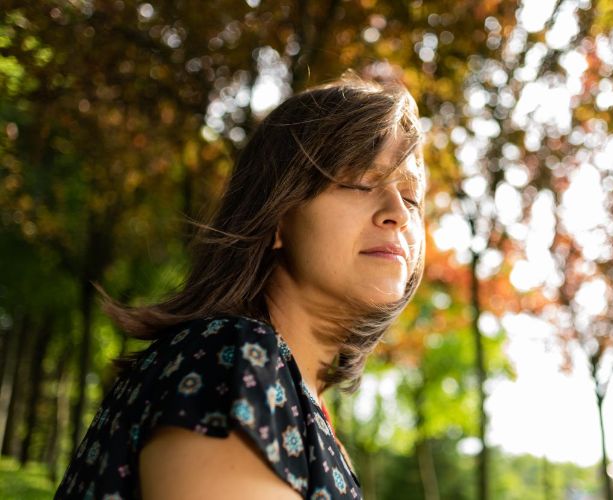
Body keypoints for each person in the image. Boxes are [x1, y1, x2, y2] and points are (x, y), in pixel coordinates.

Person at [54, 71, 427, 499]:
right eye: (361, 181)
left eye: (412, 196)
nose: (397, 212)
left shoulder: (291, 396)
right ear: (276, 215)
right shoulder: (231, 359)